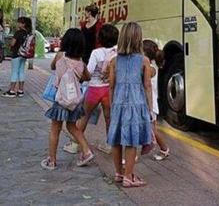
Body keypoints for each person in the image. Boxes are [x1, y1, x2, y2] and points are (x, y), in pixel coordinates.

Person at [107, 22, 153, 188]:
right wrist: (150, 109)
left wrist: (112, 106)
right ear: (138, 39)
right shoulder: (144, 61)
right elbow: (147, 86)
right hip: (136, 103)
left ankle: (119, 173)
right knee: (132, 140)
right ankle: (129, 176)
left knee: (117, 139)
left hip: (118, 104)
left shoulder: (114, 61)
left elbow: (111, 86)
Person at [42, 28, 95, 170]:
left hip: (61, 99)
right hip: (75, 101)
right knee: (72, 126)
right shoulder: (81, 62)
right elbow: (87, 77)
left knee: (55, 128)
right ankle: (86, 151)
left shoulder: (60, 56)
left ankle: (52, 160)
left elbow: (53, 66)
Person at [72, 24, 119, 154]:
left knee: (84, 116)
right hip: (109, 89)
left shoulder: (96, 52)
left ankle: (76, 144)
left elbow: (90, 71)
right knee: (109, 117)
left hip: (94, 88)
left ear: (100, 38)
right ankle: (110, 145)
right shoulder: (118, 51)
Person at [143, 39, 170, 161]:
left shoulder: (151, 68)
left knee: (152, 130)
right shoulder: (151, 66)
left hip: (150, 103)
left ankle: (164, 149)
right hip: (147, 102)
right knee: (151, 129)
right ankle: (163, 149)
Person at [3, 17, 31, 98]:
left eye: (19, 22)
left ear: (23, 24)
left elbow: (12, 43)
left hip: (16, 54)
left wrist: (9, 45)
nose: (17, 24)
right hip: (24, 55)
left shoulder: (18, 33)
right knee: (21, 71)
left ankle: (11, 91)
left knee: (14, 72)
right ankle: (20, 90)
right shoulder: (28, 33)